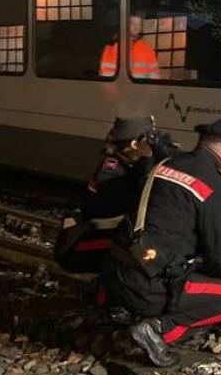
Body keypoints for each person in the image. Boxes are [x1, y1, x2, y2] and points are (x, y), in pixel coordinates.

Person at [100, 114, 221, 367]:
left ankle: (118, 309)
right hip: (147, 287)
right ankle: (157, 329)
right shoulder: (215, 186)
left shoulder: (167, 164)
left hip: (115, 272)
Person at [55, 116, 179, 277]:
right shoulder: (112, 170)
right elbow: (109, 211)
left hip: (136, 237)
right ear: (134, 144)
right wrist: (147, 163)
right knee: (128, 250)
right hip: (107, 234)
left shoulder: (139, 163)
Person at [99, 15, 161, 80]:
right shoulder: (109, 47)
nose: (136, 27)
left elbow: (154, 77)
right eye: (132, 23)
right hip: (114, 89)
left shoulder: (146, 48)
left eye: (139, 24)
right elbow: (102, 75)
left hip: (138, 89)